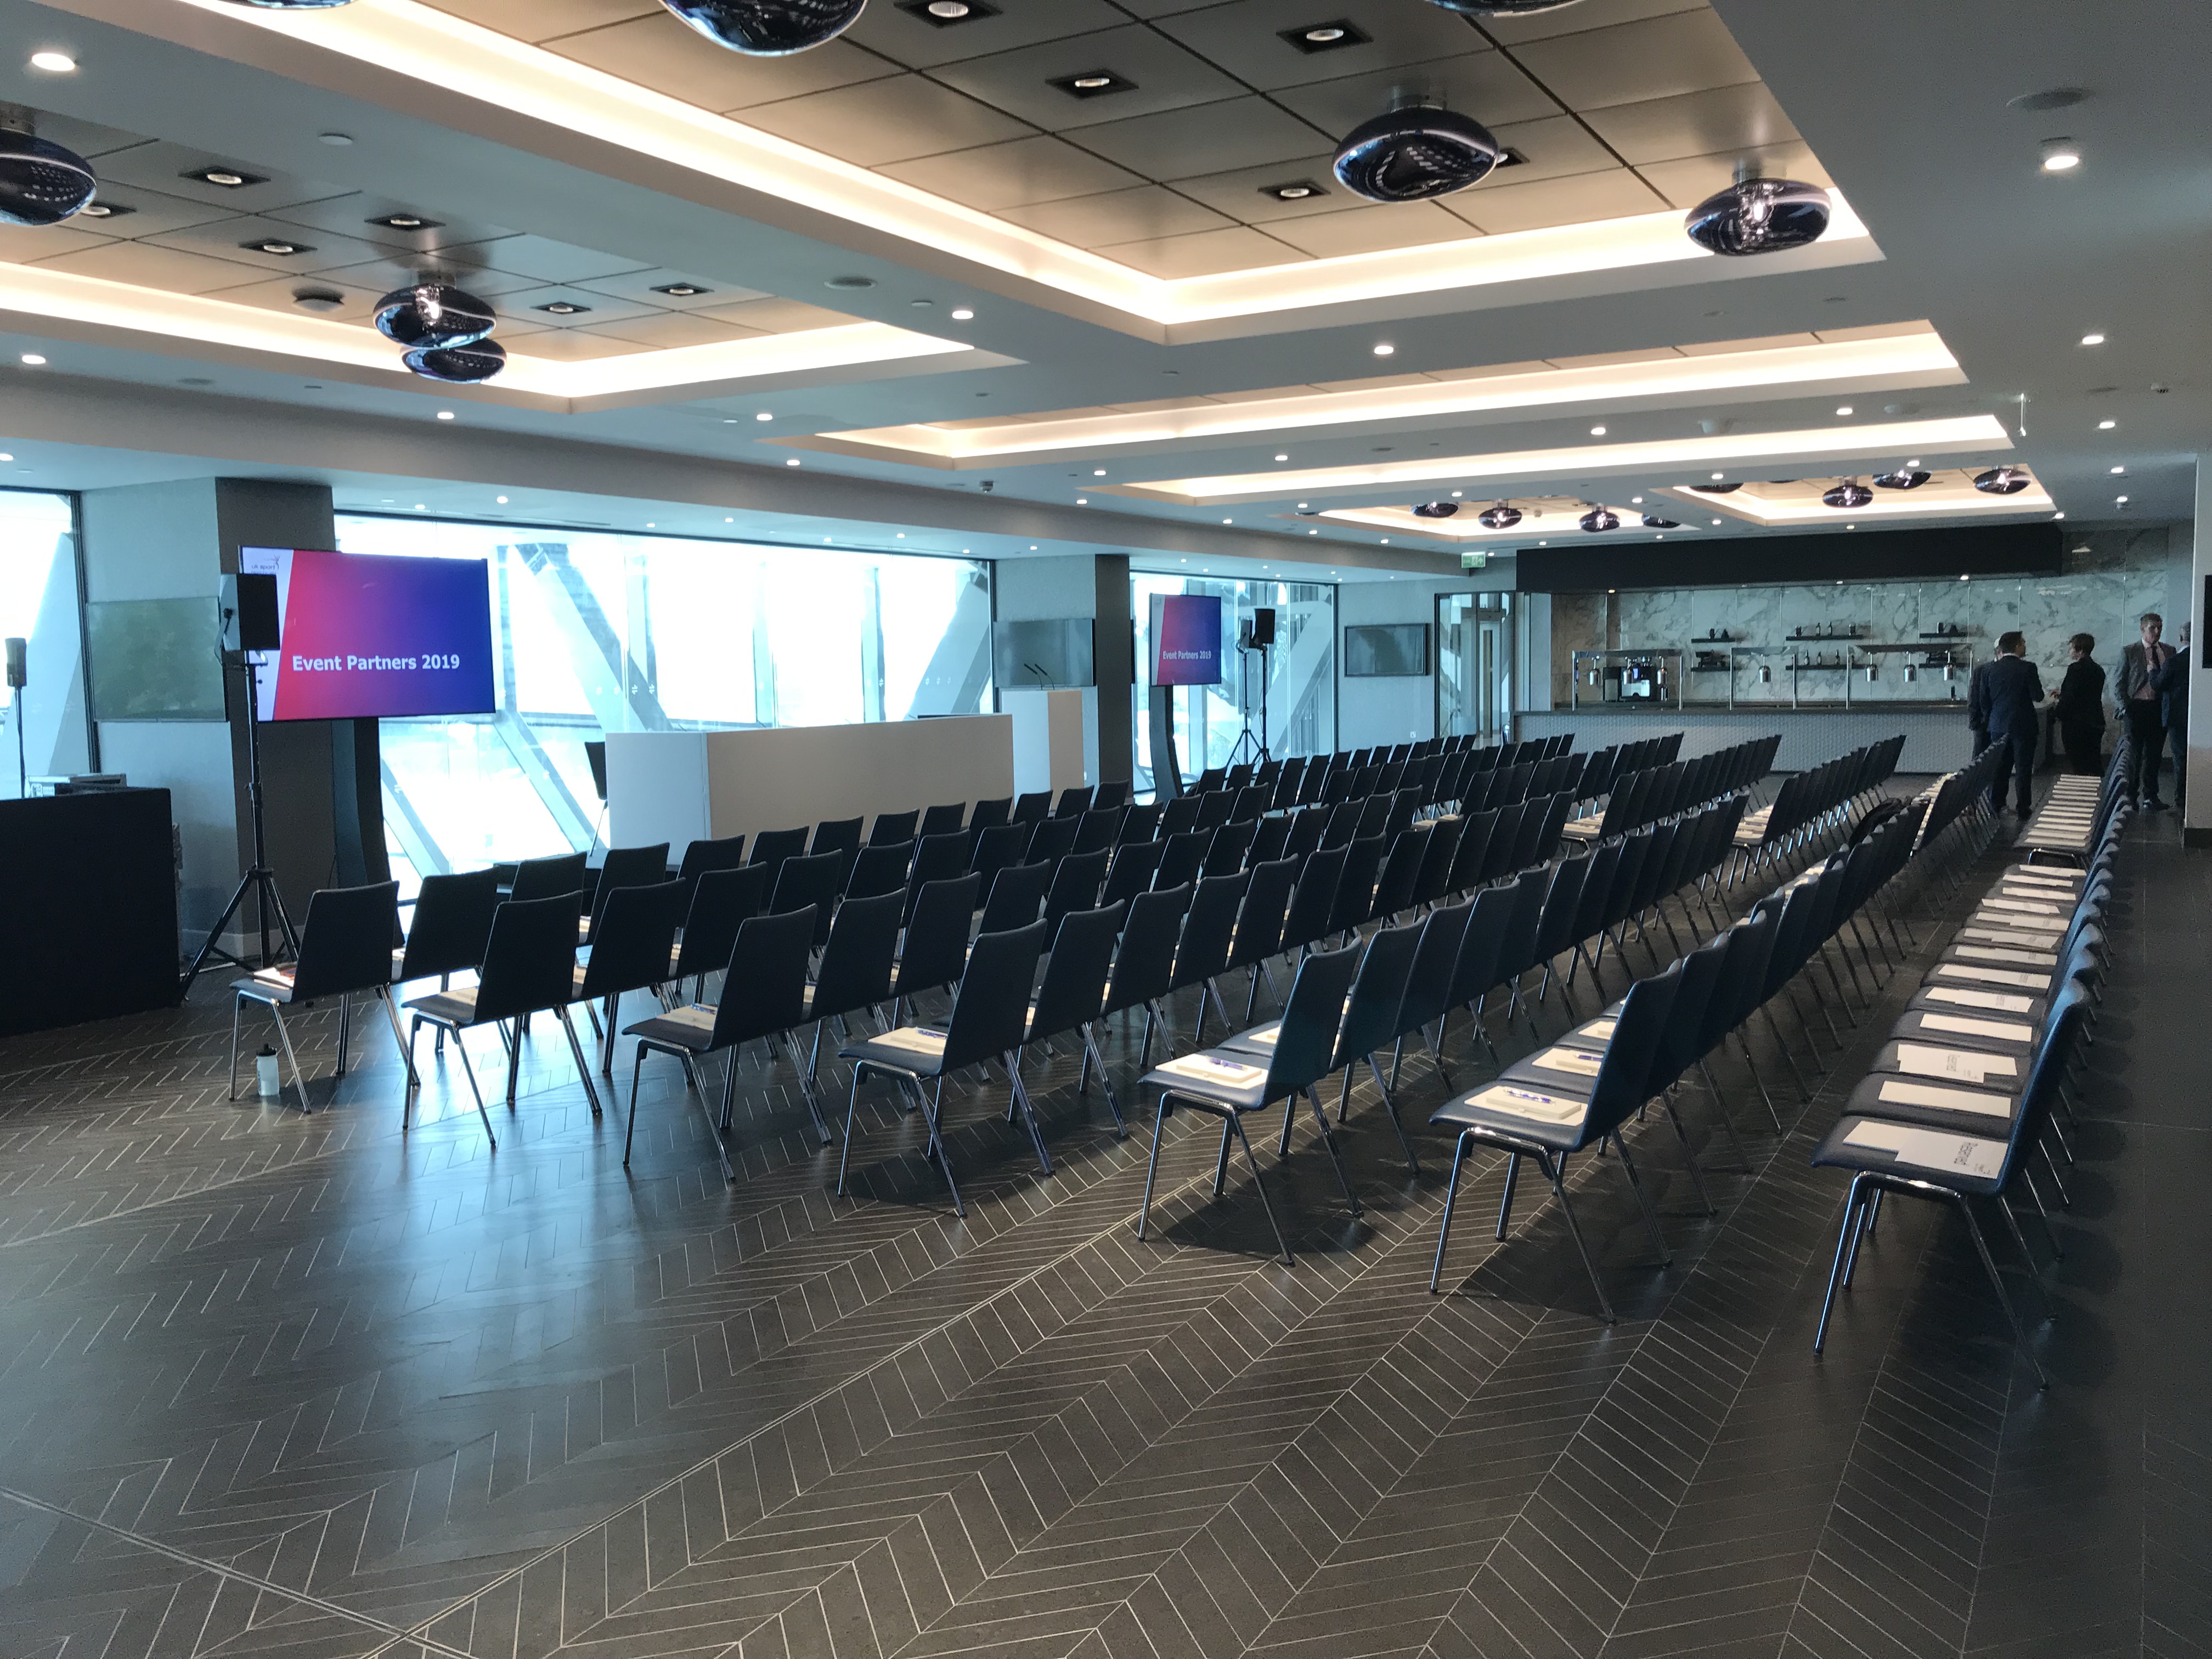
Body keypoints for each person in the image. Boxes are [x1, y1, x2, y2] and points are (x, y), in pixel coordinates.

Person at [1969, 630, 2045, 817]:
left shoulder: (1987, 670)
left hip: (1997, 726)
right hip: (2024, 725)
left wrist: (1991, 719)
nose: (2025, 645)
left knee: (2000, 768)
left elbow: (1984, 701)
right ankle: (2023, 807)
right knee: (2023, 769)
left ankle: (1997, 804)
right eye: (2024, 642)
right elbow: (2038, 696)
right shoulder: (2028, 668)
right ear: (2017, 646)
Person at [2114, 611, 2175, 808]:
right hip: (2137, 708)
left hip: (2159, 708)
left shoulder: (2169, 651)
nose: (2156, 632)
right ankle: (2131, 797)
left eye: (2159, 628)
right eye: (2152, 628)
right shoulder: (2130, 651)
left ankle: (2151, 796)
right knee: (2134, 755)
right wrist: (2126, 707)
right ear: (2142, 629)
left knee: (2154, 755)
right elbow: (2118, 683)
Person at [2055, 632, 2106, 776]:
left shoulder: (2075, 669)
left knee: (2079, 764)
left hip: (2076, 725)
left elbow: (2070, 698)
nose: (2070, 651)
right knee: (2094, 761)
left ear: (2080, 650)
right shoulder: (2099, 670)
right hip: (2095, 721)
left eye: (2072, 648)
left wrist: (2057, 714)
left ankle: (2083, 793)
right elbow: (2087, 693)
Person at [2156, 619, 2190, 809]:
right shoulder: (2198, 661)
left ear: (2180, 638)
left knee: (2180, 758)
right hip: (2198, 717)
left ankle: (2181, 800)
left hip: (2176, 717)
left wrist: (2153, 672)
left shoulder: (2174, 662)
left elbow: (2159, 685)